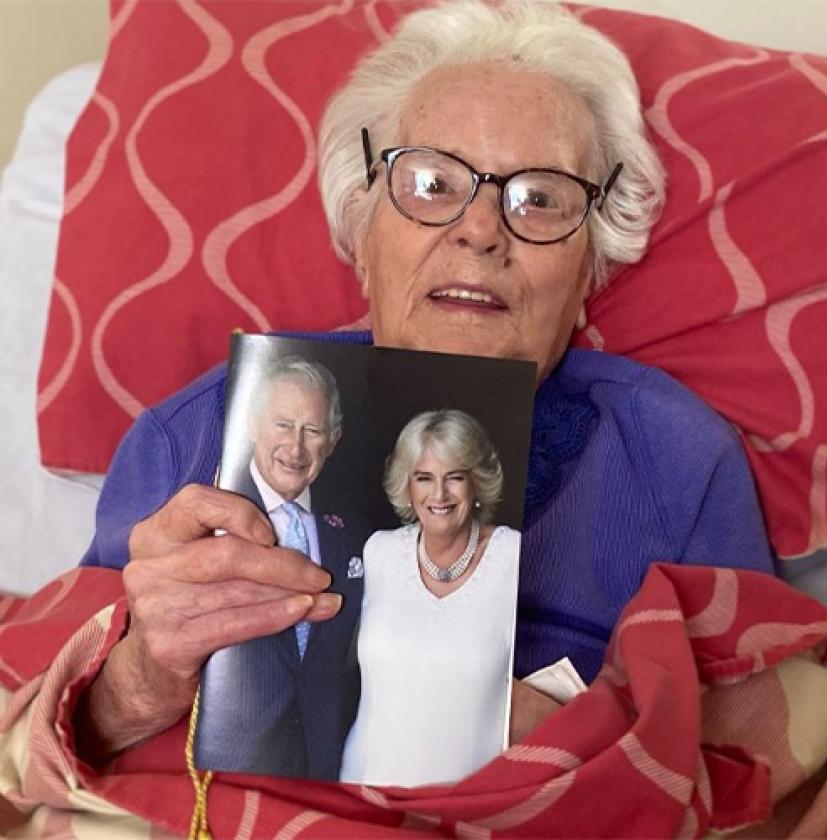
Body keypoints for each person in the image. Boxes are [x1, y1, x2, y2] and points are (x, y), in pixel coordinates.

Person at [73, 0, 774, 766]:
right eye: (433, 183)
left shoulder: (674, 457)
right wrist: (138, 683)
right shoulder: (197, 433)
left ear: (587, 273)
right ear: (363, 235)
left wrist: (582, 746)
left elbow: (758, 762)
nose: (480, 231)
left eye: (539, 198)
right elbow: (47, 741)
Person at [192, 356, 368, 780]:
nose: (296, 447)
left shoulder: (355, 535)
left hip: (325, 765)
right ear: (251, 423)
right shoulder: (205, 511)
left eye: (312, 431)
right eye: (283, 425)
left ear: (334, 440)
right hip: (229, 769)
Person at [340, 409, 520, 786]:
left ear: (476, 484)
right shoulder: (378, 552)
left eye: (454, 477)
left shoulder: (513, 555)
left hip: (468, 803)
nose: (438, 494)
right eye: (424, 478)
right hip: (364, 786)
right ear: (408, 486)